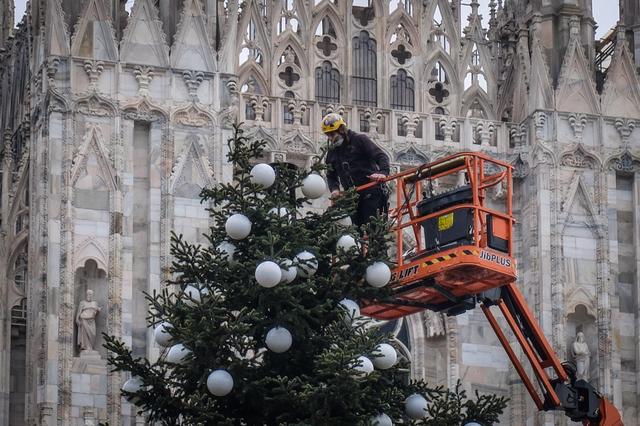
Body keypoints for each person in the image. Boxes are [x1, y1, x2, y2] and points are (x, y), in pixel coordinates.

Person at [322, 113, 390, 228]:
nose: (331, 138)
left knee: (371, 228)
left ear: (341, 129)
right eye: (328, 135)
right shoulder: (332, 152)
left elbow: (381, 156)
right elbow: (330, 175)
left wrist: (383, 173)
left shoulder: (359, 140)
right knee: (355, 231)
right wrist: (334, 189)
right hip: (352, 198)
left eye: (332, 134)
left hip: (371, 192)